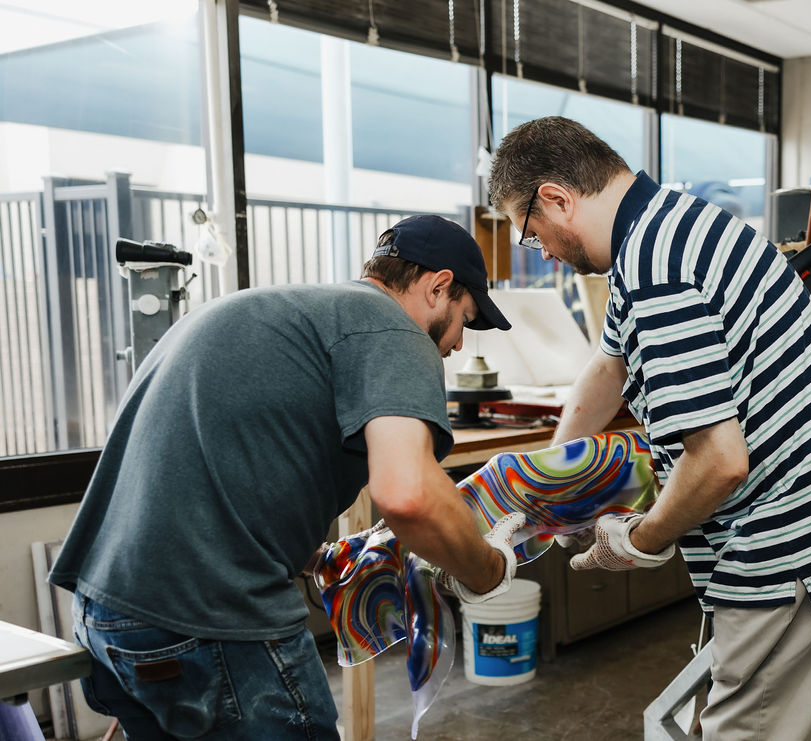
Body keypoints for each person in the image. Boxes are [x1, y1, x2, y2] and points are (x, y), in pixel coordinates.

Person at [488, 116, 811, 741]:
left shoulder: (654, 269)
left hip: (801, 540)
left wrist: (639, 540)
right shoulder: (667, 221)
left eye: (535, 236)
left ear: (557, 199)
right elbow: (608, 366)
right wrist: (554, 483)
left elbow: (720, 461)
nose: (547, 253)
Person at [49, 214, 524, 740]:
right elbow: (409, 495)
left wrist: (310, 555)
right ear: (438, 286)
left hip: (106, 616)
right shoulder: (394, 329)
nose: (458, 345)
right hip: (209, 620)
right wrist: (486, 570)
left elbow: (222, 464)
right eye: (466, 318)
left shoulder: (277, 310)